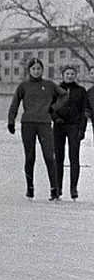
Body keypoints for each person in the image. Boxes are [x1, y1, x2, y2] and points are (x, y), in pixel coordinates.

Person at [8, 57, 65, 200]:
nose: (36, 71)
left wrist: (53, 108)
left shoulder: (49, 85)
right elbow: (15, 103)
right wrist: (11, 121)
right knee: (30, 157)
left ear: (42, 70)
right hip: (28, 124)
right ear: (29, 71)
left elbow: (64, 95)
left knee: (49, 156)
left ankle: (54, 189)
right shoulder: (23, 86)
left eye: (39, 69)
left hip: (44, 123)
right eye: (33, 69)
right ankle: (30, 188)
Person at [53, 65, 92, 199]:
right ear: (63, 75)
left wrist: (82, 129)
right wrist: (56, 118)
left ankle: (73, 188)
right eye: (67, 73)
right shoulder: (56, 90)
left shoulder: (81, 91)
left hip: (74, 126)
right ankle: (58, 187)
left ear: (75, 76)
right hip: (59, 126)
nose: (69, 76)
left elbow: (84, 111)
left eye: (72, 74)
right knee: (58, 157)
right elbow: (50, 108)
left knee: (74, 157)